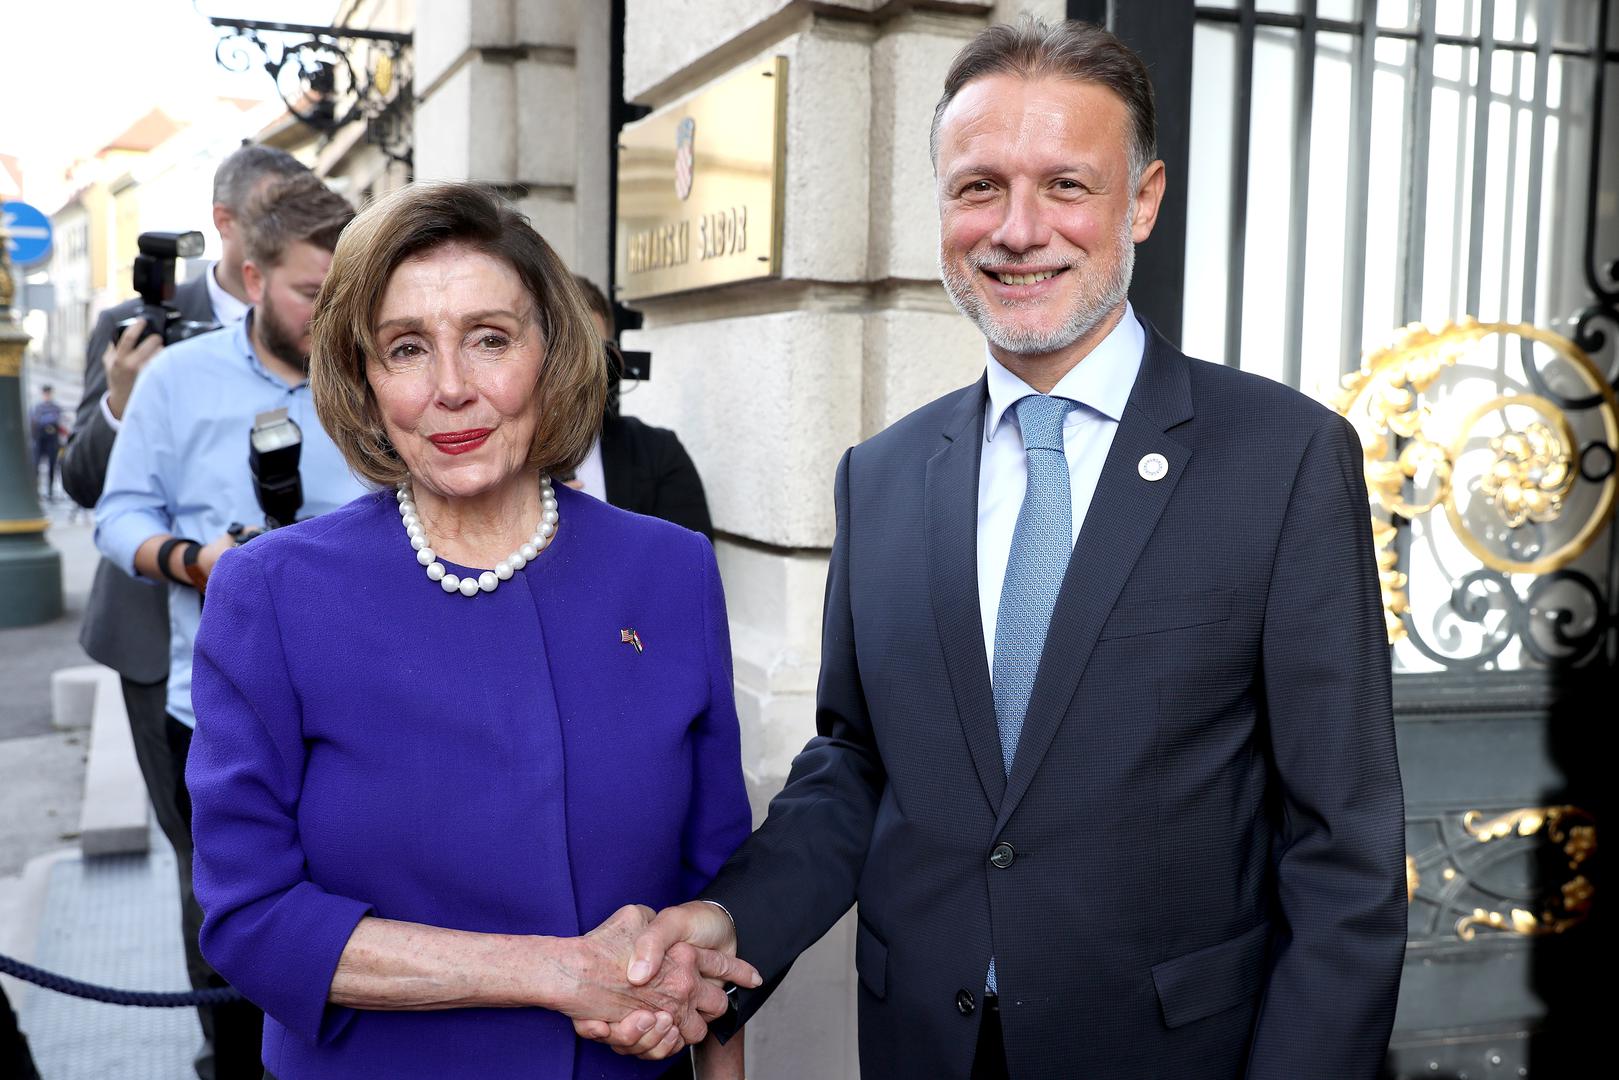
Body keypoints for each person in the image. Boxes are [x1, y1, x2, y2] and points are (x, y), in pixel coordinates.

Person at [604, 18, 1408, 1079]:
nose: (1017, 230)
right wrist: (729, 921)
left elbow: (1345, 852)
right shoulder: (881, 476)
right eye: (979, 187)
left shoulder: (1282, 457)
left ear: (1142, 201)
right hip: (923, 1044)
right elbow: (857, 763)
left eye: (1065, 185)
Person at [183, 181, 757, 1079]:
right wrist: (557, 974)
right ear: (364, 379)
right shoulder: (272, 593)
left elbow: (717, 891)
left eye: (490, 338)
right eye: (406, 348)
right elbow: (250, 918)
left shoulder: (669, 570)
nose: (451, 388)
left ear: (551, 353)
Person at [94, 169, 361, 1079]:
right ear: (252, 277)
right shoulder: (175, 378)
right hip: (211, 709)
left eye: (345, 293)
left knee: (351, 913)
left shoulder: (378, 373)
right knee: (232, 922)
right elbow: (117, 515)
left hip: (356, 709)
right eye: (311, 294)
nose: (331, 316)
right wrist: (195, 563)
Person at [58, 142, 308, 1080]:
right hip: (161, 644)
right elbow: (89, 485)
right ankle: (223, 1043)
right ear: (233, 229)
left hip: (300, 653)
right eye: (274, 213)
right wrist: (122, 404)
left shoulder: (341, 329)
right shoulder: (143, 330)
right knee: (206, 859)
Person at [566, 274, 714, 538]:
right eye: (564, 353)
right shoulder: (500, 460)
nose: (577, 374)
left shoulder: (656, 454)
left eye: (594, 355)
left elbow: (687, 560)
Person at [27, 385, 63, 500]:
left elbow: (55, 419)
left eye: (48, 394)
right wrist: (47, 420)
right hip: (40, 440)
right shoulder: (37, 407)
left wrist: (44, 420)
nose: (47, 396)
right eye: (45, 394)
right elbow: (35, 420)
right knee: (36, 466)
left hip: (52, 440)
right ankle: (35, 490)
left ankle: (50, 491)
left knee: (52, 466)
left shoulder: (55, 407)